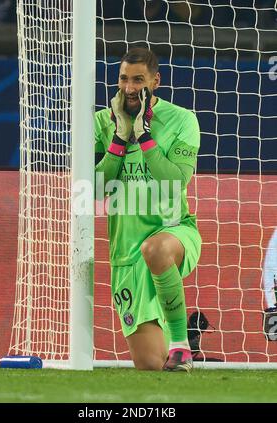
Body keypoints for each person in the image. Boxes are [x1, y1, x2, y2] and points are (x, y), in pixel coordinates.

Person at [95, 47, 201, 372]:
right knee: (153, 368)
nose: (129, 88)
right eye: (123, 79)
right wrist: (119, 137)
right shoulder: (101, 122)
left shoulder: (182, 120)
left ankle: (182, 345)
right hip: (125, 258)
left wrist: (142, 135)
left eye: (138, 80)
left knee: (154, 248)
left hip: (174, 233)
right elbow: (93, 190)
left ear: (155, 81)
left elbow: (175, 182)